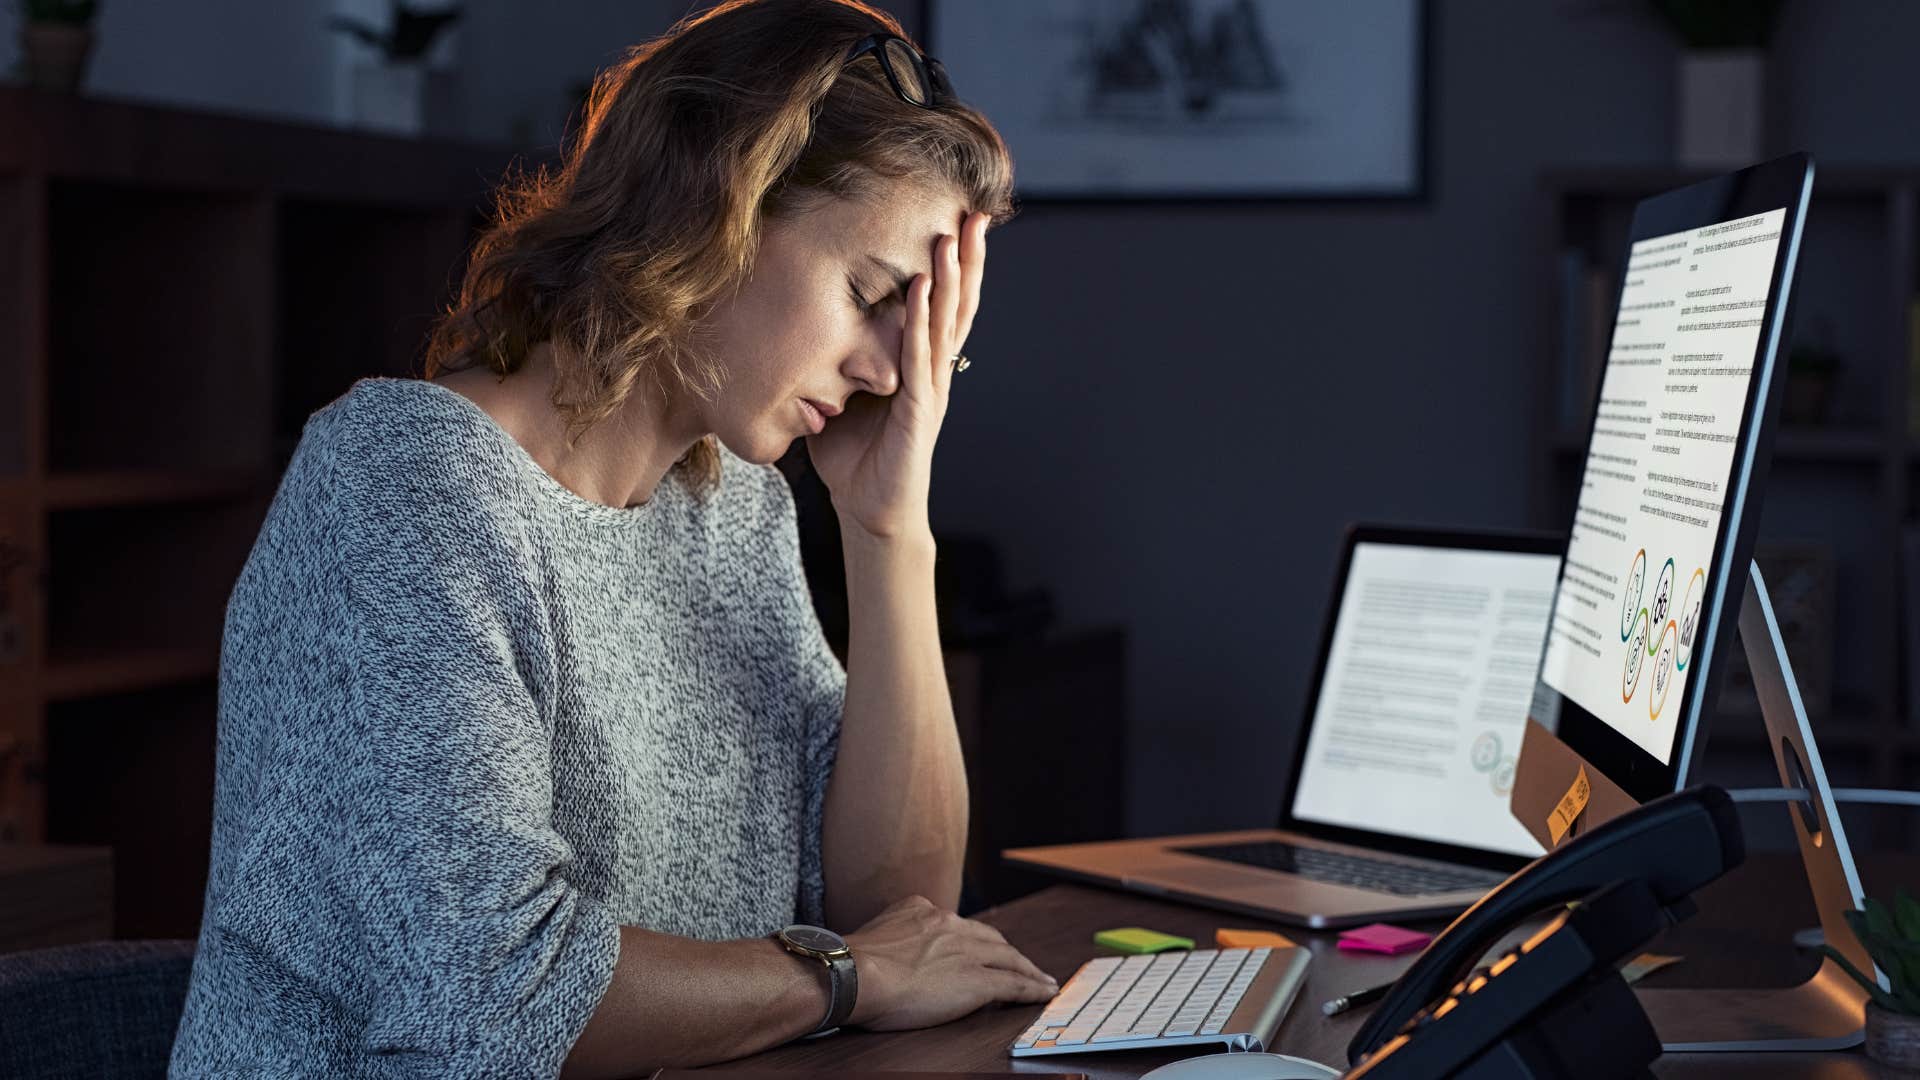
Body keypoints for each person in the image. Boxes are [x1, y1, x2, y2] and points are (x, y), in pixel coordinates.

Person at [168, 1, 1059, 1075]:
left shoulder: (732, 507)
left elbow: (902, 914)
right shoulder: (404, 486)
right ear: (716, 207)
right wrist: (845, 979)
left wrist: (888, 527)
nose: (886, 371)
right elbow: (493, 994)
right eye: (873, 296)